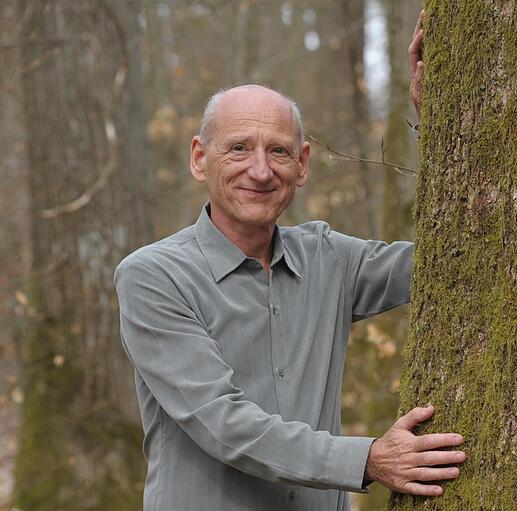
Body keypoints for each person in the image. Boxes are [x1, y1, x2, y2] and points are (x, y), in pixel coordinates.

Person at [113, 12, 463, 511]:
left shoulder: (328, 259)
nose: (260, 170)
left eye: (278, 151)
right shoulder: (153, 276)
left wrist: (442, 120)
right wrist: (367, 458)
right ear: (199, 158)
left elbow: (451, 258)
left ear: (301, 165)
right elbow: (222, 421)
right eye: (238, 149)